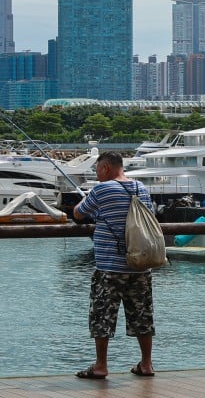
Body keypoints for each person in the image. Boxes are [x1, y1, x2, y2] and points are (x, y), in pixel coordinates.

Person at [73, 151, 156, 379]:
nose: (97, 174)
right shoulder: (141, 188)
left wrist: (87, 199)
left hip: (110, 266)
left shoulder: (101, 190)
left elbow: (79, 214)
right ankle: (146, 364)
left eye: (97, 169)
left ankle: (101, 365)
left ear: (106, 168)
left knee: (102, 316)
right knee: (142, 315)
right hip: (140, 264)